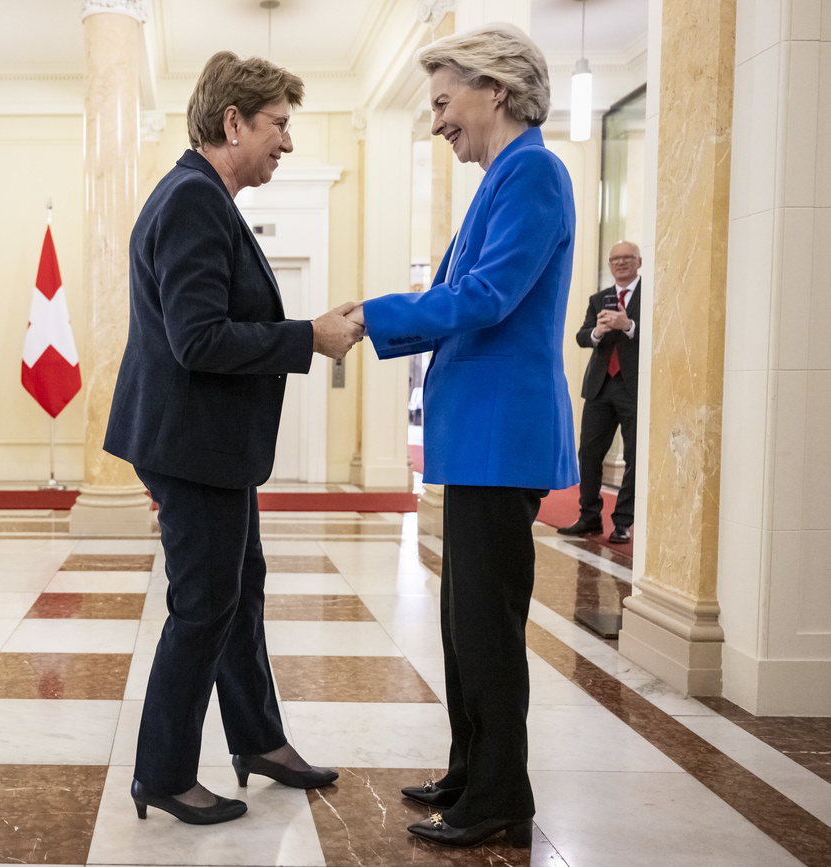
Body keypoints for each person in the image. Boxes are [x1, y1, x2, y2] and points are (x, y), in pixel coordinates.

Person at [103, 50, 360, 825]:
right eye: (279, 125)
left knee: (238, 593)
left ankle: (257, 741)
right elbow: (198, 340)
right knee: (204, 606)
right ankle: (164, 772)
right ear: (233, 121)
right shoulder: (191, 200)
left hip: (206, 444)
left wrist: (303, 333)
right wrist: (307, 337)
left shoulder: (202, 196)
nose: (286, 142)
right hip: (193, 446)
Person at [344, 23, 577, 849]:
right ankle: (470, 766)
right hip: (476, 437)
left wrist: (371, 316)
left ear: (497, 91)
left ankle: (500, 798)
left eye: (444, 102)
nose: (438, 120)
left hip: (500, 435)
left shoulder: (535, 175)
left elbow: (483, 297)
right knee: (461, 619)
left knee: (486, 623)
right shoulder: (502, 179)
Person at [557, 242, 642, 544]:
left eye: (627, 258)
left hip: (633, 388)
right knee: (589, 454)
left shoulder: (651, 295)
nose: (620, 263)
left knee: (634, 456)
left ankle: (623, 523)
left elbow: (659, 334)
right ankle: (589, 517)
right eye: (615, 259)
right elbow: (582, 336)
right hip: (600, 386)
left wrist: (628, 325)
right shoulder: (599, 299)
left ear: (639, 262)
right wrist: (598, 332)